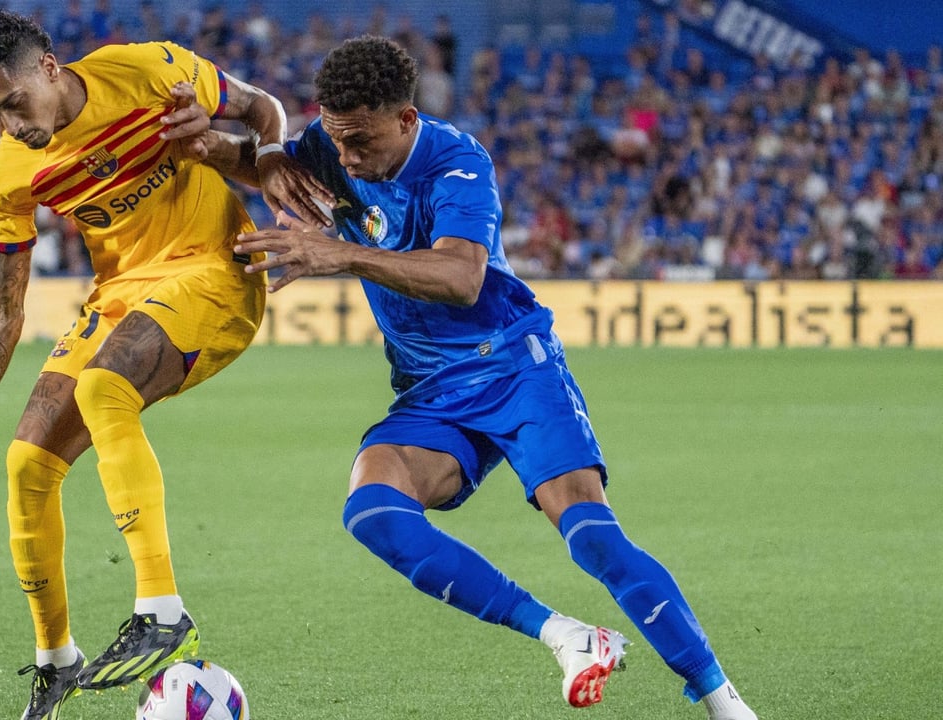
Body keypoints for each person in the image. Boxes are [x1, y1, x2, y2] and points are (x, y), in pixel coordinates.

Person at [203, 36, 758, 719]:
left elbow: (462, 278)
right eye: (337, 139)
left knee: (590, 536)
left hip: (511, 365)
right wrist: (225, 149)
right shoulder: (331, 143)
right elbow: (265, 163)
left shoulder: (457, 163)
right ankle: (567, 636)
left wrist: (338, 253)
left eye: (361, 141)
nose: (345, 157)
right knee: (371, 511)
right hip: (431, 392)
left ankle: (722, 700)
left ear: (405, 121)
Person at [0, 11, 328, 720]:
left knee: (106, 387)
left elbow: (263, 109)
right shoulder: (10, 175)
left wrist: (264, 159)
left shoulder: (148, 70)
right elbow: (2, 312)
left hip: (214, 270)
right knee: (25, 464)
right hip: (121, 293)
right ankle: (56, 661)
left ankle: (162, 609)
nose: (8, 125)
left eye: (13, 103)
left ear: (49, 68)